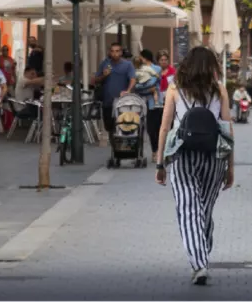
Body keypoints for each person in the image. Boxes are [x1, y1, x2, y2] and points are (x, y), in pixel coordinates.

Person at [155, 46, 234, 285]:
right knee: (204, 210)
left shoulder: (174, 90)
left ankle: (199, 263)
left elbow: (164, 128)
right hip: (214, 157)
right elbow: (227, 128)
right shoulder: (219, 90)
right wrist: (231, 166)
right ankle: (202, 254)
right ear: (212, 67)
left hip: (183, 156)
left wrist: (160, 162)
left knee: (189, 210)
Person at [92, 43, 136, 137]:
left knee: (123, 127)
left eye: (117, 51)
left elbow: (133, 79)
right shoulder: (105, 63)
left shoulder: (127, 64)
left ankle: (121, 146)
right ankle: (114, 146)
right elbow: (95, 80)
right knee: (109, 127)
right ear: (109, 52)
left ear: (121, 52)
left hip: (123, 102)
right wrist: (104, 75)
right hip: (107, 101)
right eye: (112, 51)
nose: (114, 53)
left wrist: (128, 90)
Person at [140, 50, 165, 160]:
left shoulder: (157, 69)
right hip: (143, 101)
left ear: (145, 58)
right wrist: (145, 87)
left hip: (156, 102)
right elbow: (137, 86)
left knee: (157, 128)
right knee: (150, 129)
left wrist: (143, 84)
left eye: (141, 57)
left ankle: (158, 151)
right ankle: (155, 150)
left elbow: (153, 82)